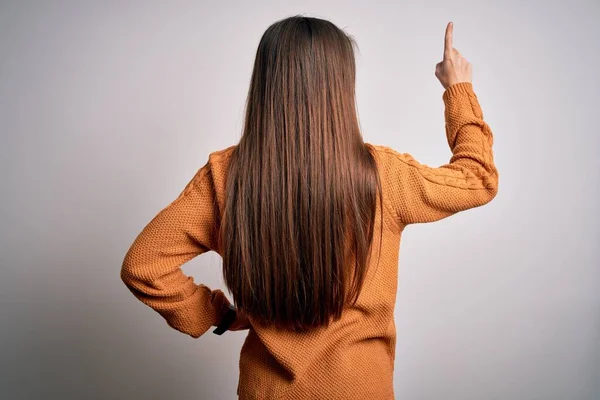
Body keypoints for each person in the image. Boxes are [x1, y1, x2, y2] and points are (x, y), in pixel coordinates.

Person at [121, 16, 498, 400]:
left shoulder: (225, 178)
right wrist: (458, 88)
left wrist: (219, 315)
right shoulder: (385, 176)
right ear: (341, 88)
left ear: (267, 83)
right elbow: (478, 179)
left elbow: (144, 266)